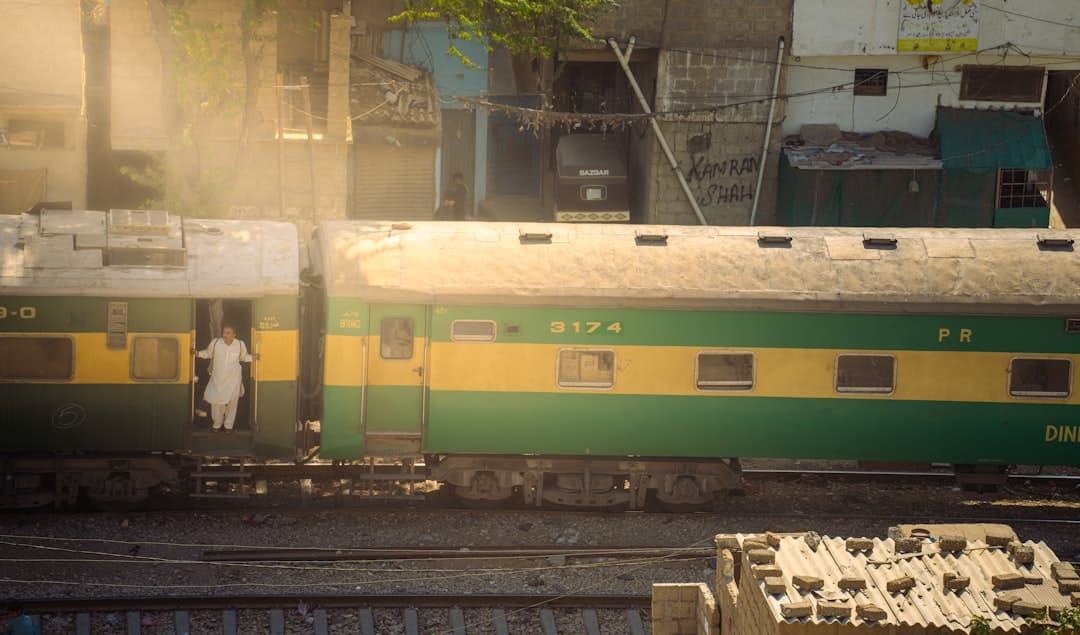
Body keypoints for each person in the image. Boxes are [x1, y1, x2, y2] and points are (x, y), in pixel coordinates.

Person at [192, 325, 258, 432]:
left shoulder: (240, 344)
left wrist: (253, 358)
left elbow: (243, 357)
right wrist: (198, 354)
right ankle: (217, 425)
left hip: (234, 379)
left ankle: (228, 426)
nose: (224, 335)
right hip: (217, 378)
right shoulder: (216, 343)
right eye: (224, 332)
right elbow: (208, 354)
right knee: (216, 402)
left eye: (228, 333)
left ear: (234, 335)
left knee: (232, 403)